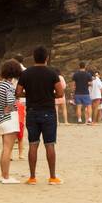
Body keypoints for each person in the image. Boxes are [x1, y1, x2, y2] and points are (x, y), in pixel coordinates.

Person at [17, 46, 65, 184]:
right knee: (50, 144)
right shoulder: (52, 73)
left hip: (31, 111)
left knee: (33, 144)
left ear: (33, 57)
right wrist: (49, 95)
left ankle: (32, 177)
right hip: (48, 111)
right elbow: (60, 93)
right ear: (47, 58)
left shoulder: (26, 73)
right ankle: (52, 177)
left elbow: (18, 92)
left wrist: (30, 94)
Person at [0, 59, 23, 184]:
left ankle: (3, 175)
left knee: (5, 148)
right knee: (8, 148)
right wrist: (9, 109)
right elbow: (11, 101)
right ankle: (6, 177)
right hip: (8, 118)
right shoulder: (9, 86)